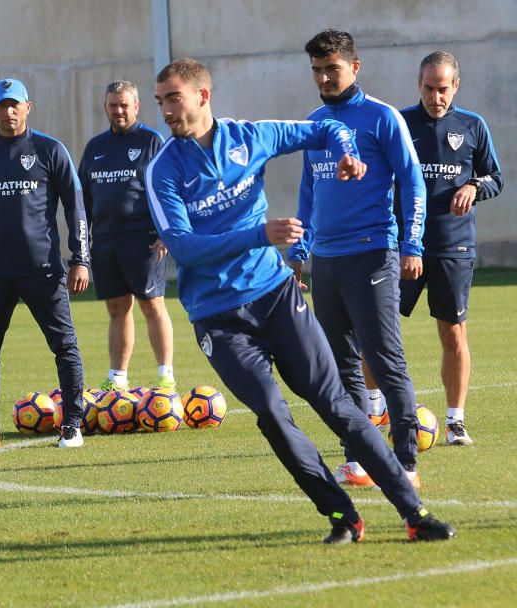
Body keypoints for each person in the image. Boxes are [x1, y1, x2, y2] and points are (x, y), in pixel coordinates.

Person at [146, 57, 454, 543]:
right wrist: (259, 234)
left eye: (172, 98)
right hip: (218, 319)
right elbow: (183, 249)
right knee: (271, 413)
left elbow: (327, 129)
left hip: (276, 296)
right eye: (160, 100)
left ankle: (414, 513)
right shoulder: (163, 169)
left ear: (203, 96)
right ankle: (342, 516)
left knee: (335, 403)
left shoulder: (252, 136)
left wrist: (349, 152)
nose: (164, 109)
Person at [286, 30, 426, 489]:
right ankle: (358, 458)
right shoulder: (313, 123)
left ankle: (405, 461)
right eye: (317, 71)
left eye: (333, 68)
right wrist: (299, 250)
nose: (325, 77)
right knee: (340, 364)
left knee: (385, 360)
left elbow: (413, 183)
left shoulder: (382, 118)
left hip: (373, 255)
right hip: (326, 259)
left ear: (355, 67)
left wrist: (412, 244)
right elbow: (309, 190)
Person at [0, 78, 91, 450]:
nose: (8, 112)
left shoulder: (49, 149)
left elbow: (76, 207)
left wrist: (81, 259)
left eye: (15, 105)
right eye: (1, 105)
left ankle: (73, 424)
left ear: (29, 106)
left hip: (43, 269)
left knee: (64, 345)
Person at [392, 51, 504, 445]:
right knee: (377, 331)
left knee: (453, 334)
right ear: (418, 84)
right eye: (428, 88)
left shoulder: (472, 126)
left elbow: (495, 176)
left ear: (455, 86)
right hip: (403, 246)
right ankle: (374, 412)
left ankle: (456, 421)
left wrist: (474, 186)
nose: (435, 97)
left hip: (453, 248)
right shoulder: (400, 124)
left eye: (443, 89)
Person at [78, 80, 174, 392]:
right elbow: (83, 200)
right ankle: (118, 377)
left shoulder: (151, 141)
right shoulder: (95, 147)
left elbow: (168, 188)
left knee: (152, 305)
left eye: (124, 105)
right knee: (117, 310)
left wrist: (166, 232)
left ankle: (165, 375)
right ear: (105, 107)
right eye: (112, 105)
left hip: (143, 239)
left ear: (136, 106)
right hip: (105, 242)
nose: (118, 110)